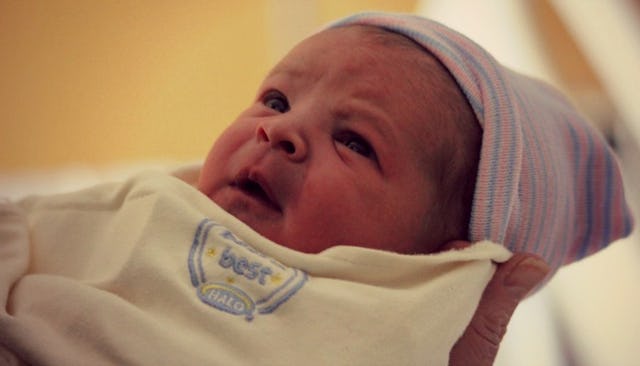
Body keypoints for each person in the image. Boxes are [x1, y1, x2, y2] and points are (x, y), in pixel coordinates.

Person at [0, 12, 632, 366]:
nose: (280, 131)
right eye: (275, 98)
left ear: (444, 258)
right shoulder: (151, 205)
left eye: (355, 141)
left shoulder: (392, 330)